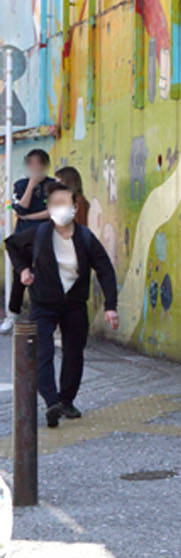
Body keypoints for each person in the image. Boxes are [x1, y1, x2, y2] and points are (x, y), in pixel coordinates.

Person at [20, 181, 118, 427]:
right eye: (55, 203)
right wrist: (23, 270)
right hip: (43, 303)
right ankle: (51, 402)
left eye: (65, 203)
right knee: (42, 352)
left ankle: (66, 401)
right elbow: (13, 245)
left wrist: (110, 306)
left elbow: (105, 270)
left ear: (75, 206)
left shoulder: (85, 237)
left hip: (74, 304)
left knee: (74, 353)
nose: (60, 208)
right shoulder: (39, 233)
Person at [1, 149, 56, 334]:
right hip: (22, 238)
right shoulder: (20, 184)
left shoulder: (52, 185)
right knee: (19, 276)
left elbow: (52, 211)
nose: (34, 167)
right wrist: (31, 185)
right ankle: (12, 315)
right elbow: (20, 208)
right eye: (31, 163)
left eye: (38, 163)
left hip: (44, 236)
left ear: (45, 165)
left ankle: (43, 318)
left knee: (43, 277)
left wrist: (29, 217)